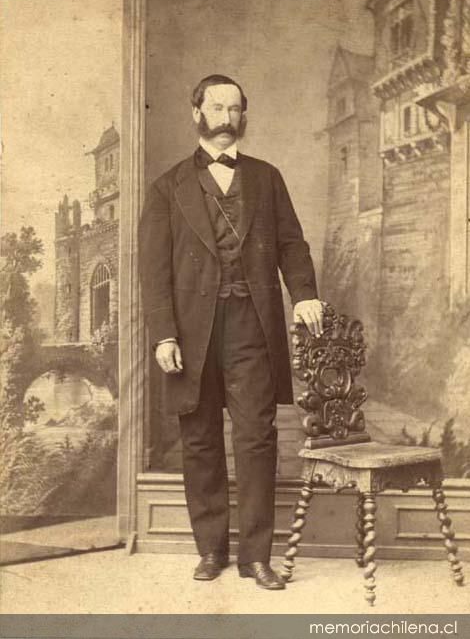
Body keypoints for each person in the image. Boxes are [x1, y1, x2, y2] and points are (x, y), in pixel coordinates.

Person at [138, 74, 323, 590]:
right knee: (199, 440)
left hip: (251, 327)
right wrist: (164, 335)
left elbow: (292, 244)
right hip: (190, 333)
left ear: (244, 116)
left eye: (234, 109)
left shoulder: (267, 178)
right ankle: (211, 550)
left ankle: (256, 557)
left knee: (257, 439)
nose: (226, 117)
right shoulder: (167, 187)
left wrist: (304, 294)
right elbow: (153, 271)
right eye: (216, 107)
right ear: (196, 113)